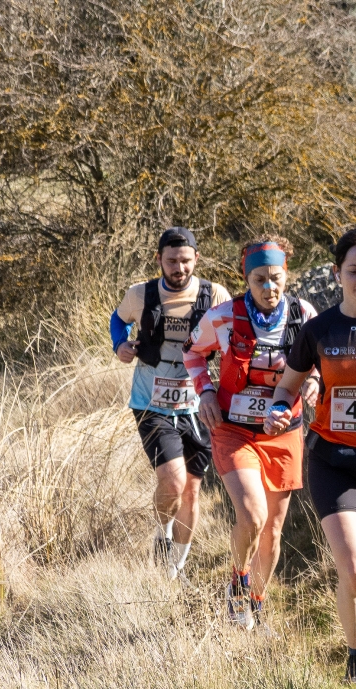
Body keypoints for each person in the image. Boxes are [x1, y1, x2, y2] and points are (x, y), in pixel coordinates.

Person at [265, 228, 356, 688]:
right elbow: (287, 386)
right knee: (355, 570)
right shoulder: (319, 330)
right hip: (333, 460)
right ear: (336, 274)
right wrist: (278, 410)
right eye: (354, 270)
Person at [183, 234, 318, 630]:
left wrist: (315, 380)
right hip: (233, 429)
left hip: (283, 433)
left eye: (276, 278)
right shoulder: (223, 316)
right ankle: (238, 582)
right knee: (253, 515)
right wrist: (206, 391)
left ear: (287, 275)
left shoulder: (304, 315)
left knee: (272, 530)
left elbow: (320, 360)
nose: (269, 287)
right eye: (259, 279)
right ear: (247, 279)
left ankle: (255, 605)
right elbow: (192, 352)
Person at [110, 227, 232, 580]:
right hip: (151, 402)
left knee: (191, 491)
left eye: (186, 261)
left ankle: (173, 569)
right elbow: (118, 319)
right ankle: (161, 534)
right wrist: (120, 345)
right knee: (173, 481)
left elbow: (233, 338)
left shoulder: (215, 295)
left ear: (196, 259)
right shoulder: (141, 294)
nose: (179, 268)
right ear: (159, 260)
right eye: (172, 261)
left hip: (199, 405)